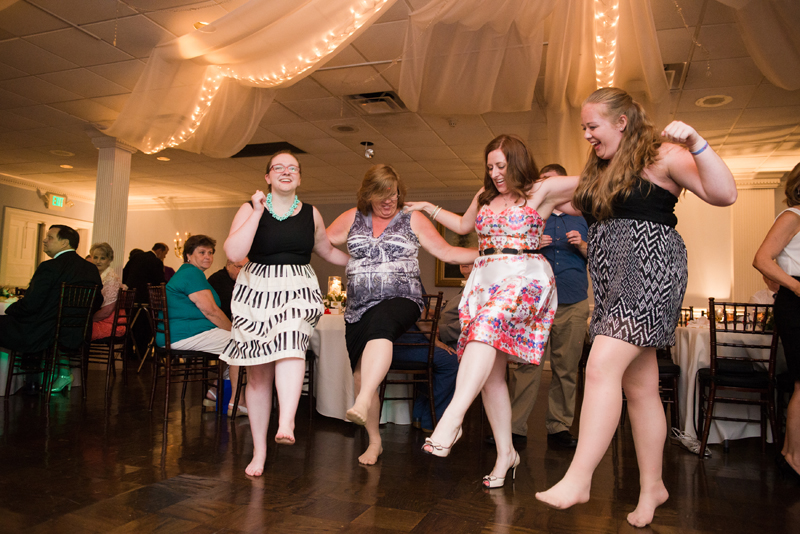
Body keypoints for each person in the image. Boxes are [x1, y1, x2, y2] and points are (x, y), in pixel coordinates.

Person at [534, 87, 737, 527]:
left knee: (600, 367)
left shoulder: (663, 155)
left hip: (649, 267)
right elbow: (568, 196)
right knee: (639, 389)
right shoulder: (603, 170)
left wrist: (698, 144)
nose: (586, 134)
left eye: (593, 126)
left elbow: (724, 194)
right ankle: (653, 488)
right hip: (610, 277)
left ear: (621, 121)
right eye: (584, 128)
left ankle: (580, 477)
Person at [404, 134, 577, 489]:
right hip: (486, 281)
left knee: (484, 329)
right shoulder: (484, 197)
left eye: (501, 166)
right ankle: (505, 454)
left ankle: (452, 419)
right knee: (492, 377)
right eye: (490, 167)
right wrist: (426, 206)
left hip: (523, 277)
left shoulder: (540, 190)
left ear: (517, 162)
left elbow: (594, 181)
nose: (496, 173)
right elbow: (464, 227)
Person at [326, 164, 478, 466]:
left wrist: (495, 251)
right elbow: (321, 243)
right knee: (359, 373)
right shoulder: (351, 219)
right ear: (367, 195)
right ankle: (375, 441)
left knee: (383, 327)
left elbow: (447, 253)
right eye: (381, 196)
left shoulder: (412, 219)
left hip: (402, 297)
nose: (389, 202)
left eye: (394, 195)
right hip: (357, 309)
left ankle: (363, 398)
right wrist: (352, 264)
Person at [222, 151, 349, 477]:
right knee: (259, 374)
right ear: (267, 177)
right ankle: (260, 452)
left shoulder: (311, 214)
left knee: (293, 338)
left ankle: (288, 419)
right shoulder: (250, 209)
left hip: (297, 288)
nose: (286, 171)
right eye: (278, 167)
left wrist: (361, 261)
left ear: (300, 178)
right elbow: (235, 254)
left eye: (293, 168)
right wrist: (257, 210)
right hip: (256, 292)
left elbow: (327, 250)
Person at [499, 163, 590, 450]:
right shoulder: (531, 217)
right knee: (527, 366)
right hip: (534, 304)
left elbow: (601, 257)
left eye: (551, 183)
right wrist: (532, 244)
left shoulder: (584, 217)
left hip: (573, 301)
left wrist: (584, 246)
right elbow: (509, 255)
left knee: (566, 368)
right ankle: (514, 428)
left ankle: (559, 426)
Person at [0, 225, 102, 392]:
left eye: (50, 237)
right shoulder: (90, 269)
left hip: (44, 331)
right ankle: (32, 381)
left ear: (65, 243)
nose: (44, 240)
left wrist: (10, 309)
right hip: (76, 331)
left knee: (13, 322)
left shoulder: (50, 267)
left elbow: (31, 304)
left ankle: (26, 381)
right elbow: (97, 301)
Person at [754, 162, 800, 481]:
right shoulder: (792, 215)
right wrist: (796, 286)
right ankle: (792, 456)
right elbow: (761, 258)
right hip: (796, 303)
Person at [157, 235, 236, 413]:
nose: (208, 256)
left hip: (181, 332)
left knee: (239, 345)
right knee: (242, 344)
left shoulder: (191, 273)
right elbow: (211, 311)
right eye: (202, 252)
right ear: (188, 255)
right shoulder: (191, 273)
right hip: (182, 334)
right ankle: (233, 400)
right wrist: (235, 331)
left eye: (210, 252)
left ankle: (216, 393)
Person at [395, 264, 474, 432]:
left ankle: (419, 416)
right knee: (450, 360)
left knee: (433, 362)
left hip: (384, 346)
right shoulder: (410, 277)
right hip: (408, 344)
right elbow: (420, 320)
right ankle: (434, 422)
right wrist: (436, 341)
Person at [206, 257, 249, 411]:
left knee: (244, 341)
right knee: (245, 345)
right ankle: (238, 399)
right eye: (239, 267)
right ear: (228, 265)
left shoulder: (233, 280)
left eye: (246, 268)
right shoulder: (220, 281)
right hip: (215, 327)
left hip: (224, 327)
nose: (242, 272)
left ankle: (215, 390)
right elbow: (233, 309)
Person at [123, 242, 168, 358]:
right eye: (165, 254)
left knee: (130, 326)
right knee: (144, 327)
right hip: (146, 299)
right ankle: (142, 354)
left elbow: (124, 274)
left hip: (130, 298)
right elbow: (160, 282)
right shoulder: (156, 261)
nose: (164, 257)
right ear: (159, 251)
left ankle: (127, 352)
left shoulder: (136, 257)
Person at [89, 242, 126, 341]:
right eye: (95, 257)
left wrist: (86, 319)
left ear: (109, 260)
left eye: (102, 258)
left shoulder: (111, 279)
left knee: (73, 328)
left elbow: (106, 312)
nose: (98, 261)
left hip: (111, 323)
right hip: (102, 319)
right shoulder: (97, 276)